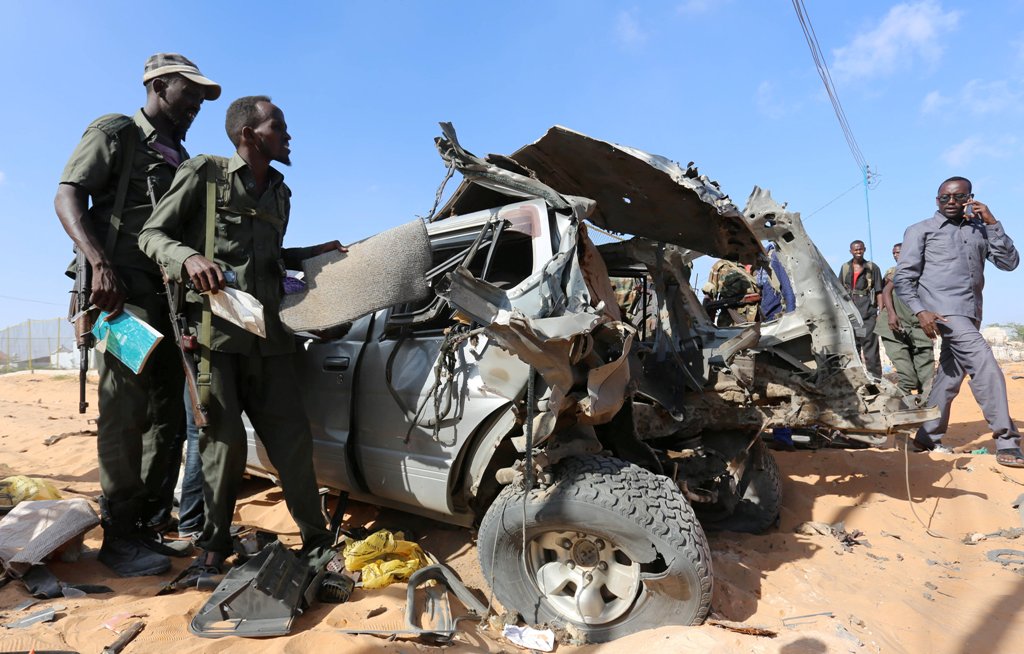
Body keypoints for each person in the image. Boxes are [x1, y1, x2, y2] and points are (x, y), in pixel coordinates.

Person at [139, 96, 343, 576]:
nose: (288, 135)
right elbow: (152, 234)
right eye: (279, 126)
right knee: (222, 448)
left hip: (270, 342)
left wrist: (313, 254)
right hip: (214, 341)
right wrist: (189, 259)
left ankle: (316, 544)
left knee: (293, 443)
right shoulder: (204, 173)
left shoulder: (281, 192)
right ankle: (212, 546)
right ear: (249, 134)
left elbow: (269, 258)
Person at [54, 53, 221, 577]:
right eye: (188, 91)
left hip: (169, 298)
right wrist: (100, 264)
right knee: (125, 414)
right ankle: (118, 534)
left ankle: (146, 525)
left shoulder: (181, 154)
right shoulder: (118, 133)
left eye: (200, 98)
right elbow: (66, 196)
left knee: (166, 416)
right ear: (157, 83)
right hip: (121, 296)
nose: (196, 104)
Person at [893, 176, 1024, 467]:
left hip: (971, 312)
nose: (951, 202)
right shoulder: (920, 231)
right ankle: (1007, 441)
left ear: (970, 198)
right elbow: (904, 278)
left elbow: (1009, 263)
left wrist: (991, 222)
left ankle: (927, 435)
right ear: (936, 199)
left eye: (958, 197)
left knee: (950, 376)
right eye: (945, 197)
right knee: (984, 364)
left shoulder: (979, 229)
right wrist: (919, 310)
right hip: (943, 313)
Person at [875, 242, 934, 395]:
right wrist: (891, 314)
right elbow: (887, 292)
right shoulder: (894, 273)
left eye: (899, 252)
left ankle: (926, 408)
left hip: (918, 324)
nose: (896, 255)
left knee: (926, 376)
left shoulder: (926, 270)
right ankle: (893, 406)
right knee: (908, 378)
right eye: (894, 253)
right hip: (894, 326)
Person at [837, 240, 882, 376]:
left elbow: (879, 290)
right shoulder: (845, 268)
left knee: (870, 348)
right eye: (855, 250)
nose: (858, 252)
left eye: (860, 249)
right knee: (852, 348)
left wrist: (880, 312)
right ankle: (856, 378)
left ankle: (876, 379)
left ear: (864, 249)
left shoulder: (872, 268)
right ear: (850, 251)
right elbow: (838, 290)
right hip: (850, 316)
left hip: (867, 315)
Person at [702, 258, 760, 326]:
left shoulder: (755, 265)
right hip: (730, 321)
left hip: (756, 319)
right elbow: (709, 295)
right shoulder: (721, 265)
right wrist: (706, 323)